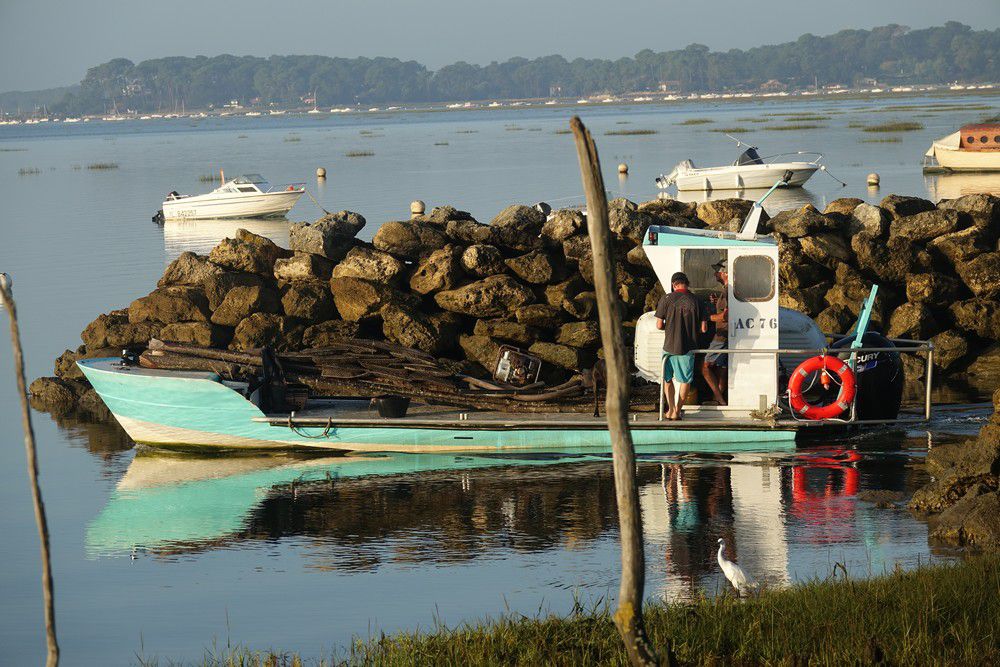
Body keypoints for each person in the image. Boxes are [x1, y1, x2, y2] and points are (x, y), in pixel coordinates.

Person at [655, 271, 708, 420]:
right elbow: (704, 328)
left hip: (669, 347)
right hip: (688, 348)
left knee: (667, 379)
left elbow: (659, 325)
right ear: (687, 284)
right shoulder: (697, 301)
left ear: (674, 285)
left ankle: (670, 409)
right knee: (685, 381)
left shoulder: (666, 299)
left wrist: (670, 327)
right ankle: (677, 411)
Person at [702, 259, 729, 406]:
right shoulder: (727, 291)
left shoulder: (728, 291)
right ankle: (717, 399)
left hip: (722, 335)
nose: (715, 274)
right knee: (721, 367)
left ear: (725, 273)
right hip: (727, 335)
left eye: (717, 271)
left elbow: (726, 316)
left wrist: (706, 317)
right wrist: (716, 303)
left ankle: (719, 399)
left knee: (705, 366)